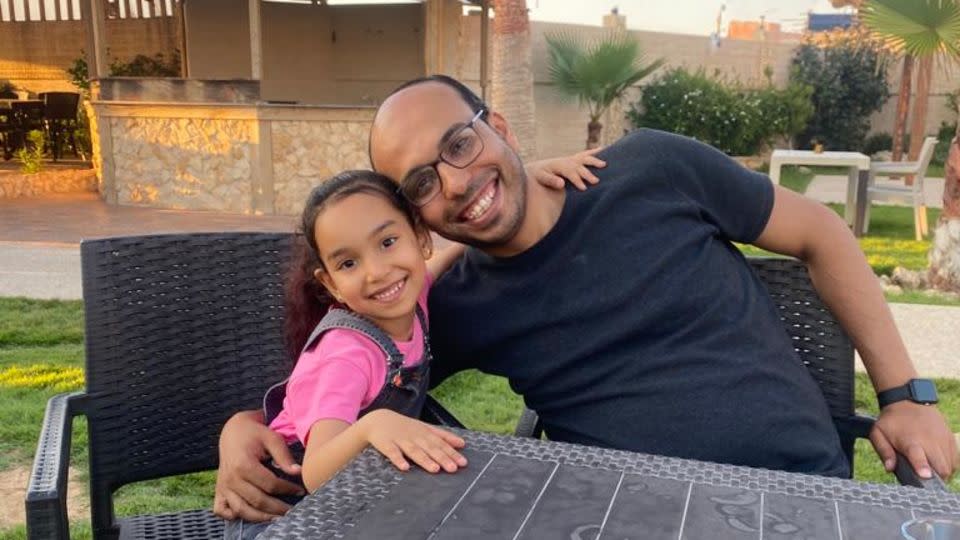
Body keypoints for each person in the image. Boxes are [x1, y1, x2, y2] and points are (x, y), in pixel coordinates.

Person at [215, 75, 957, 523]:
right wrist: (242, 430)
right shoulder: (457, 303)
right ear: (416, 218)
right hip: (626, 518)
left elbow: (822, 231)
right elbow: (349, 385)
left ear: (497, 128)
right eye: (419, 184)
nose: (454, 183)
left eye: (460, 146)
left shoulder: (652, 168)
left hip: (796, 498)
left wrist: (907, 394)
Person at [215, 150, 605, 526]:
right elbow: (317, 472)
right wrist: (373, 426)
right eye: (349, 263)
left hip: (359, 494)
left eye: (387, 242)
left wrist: (524, 177)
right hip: (286, 510)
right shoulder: (345, 354)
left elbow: (456, 243)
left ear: (420, 240)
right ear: (331, 284)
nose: (378, 272)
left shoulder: (411, 295)